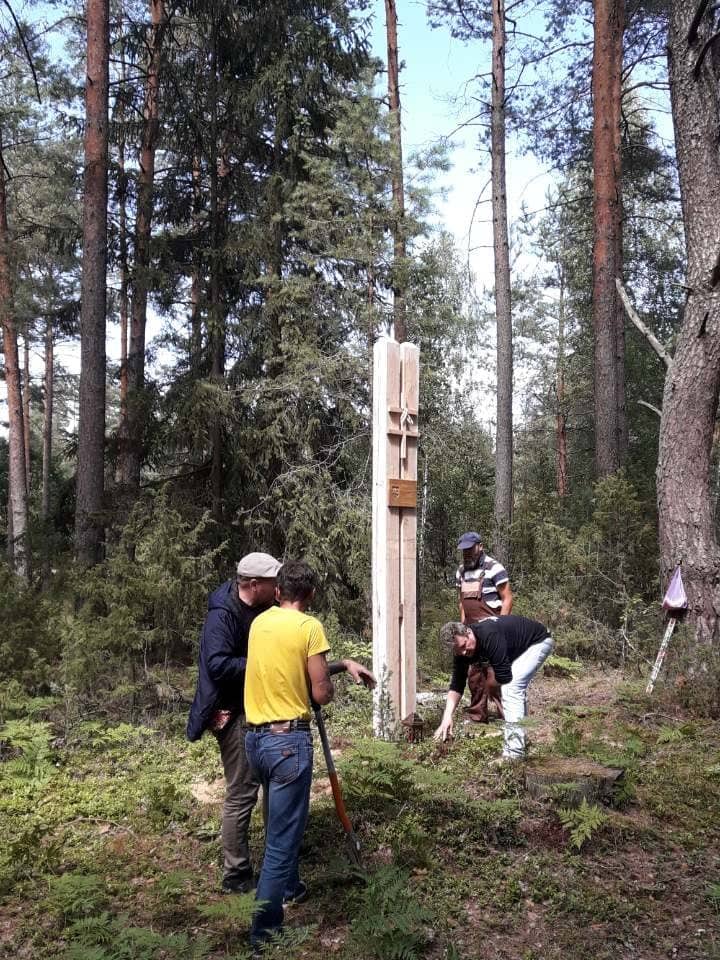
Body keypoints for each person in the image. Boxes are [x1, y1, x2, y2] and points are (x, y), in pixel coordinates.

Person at [244, 559, 375, 949]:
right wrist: (328, 687)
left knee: (277, 823)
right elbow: (318, 691)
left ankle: (292, 886)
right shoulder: (309, 627)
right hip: (288, 744)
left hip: (256, 741)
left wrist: (343, 664)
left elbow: (287, 668)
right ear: (311, 595)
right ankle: (264, 934)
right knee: (282, 839)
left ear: (279, 591)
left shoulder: (259, 624)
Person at [186, 551, 282, 894]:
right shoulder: (222, 616)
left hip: (260, 707)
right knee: (242, 791)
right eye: (273, 583)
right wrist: (264, 664)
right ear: (253, 585)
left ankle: (278, 855)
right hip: (233, 713)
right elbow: (218, 666)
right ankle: (236, 873)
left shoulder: (264, 608)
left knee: (272, 782)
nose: (278, 588)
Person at [433, 615, 554, 760]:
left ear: (468, 632)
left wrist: (489, 685)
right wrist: (447, 716)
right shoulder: (462, 653)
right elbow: (457, 685)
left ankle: (514, 755)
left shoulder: (488, 634)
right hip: (516, 648)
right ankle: (519, 743)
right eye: (460, 651)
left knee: (511, 688)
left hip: (538, 642)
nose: (465, 652)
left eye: (465, 645)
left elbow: (503, 676)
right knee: (510, 689)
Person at [455, 531, 513, 723]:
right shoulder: (461, 572)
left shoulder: (494, 568)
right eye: (464, 551)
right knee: (474, 676)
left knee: (495, 676)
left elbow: (507, 599)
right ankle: (477, 716)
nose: (467, 554)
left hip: (492, 630)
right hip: (471, 632)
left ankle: (512, 718)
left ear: (480, 547)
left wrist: (502, 626)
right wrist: (463, 628)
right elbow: (462, 603)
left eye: (470, 549)